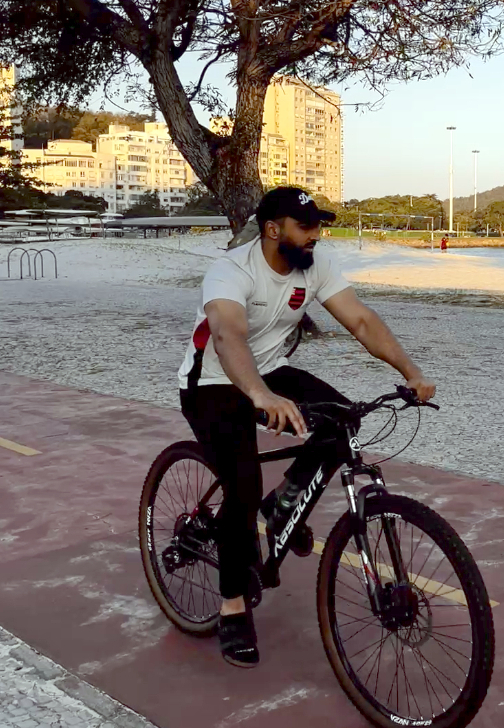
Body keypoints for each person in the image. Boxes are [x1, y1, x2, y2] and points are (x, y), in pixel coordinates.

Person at [177, 187, 435, 667]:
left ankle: (285, 504)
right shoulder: (230, 271)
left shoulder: (315, 264)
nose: (317, 234)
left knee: (342, 422)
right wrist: (259, 395)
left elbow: (360, 320)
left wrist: (411, 372)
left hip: (271, 370)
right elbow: (229, 335)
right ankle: (232, 606)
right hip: (212, 382)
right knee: (243, 483)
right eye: (306, 226)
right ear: (273, 230)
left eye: (319, 225)